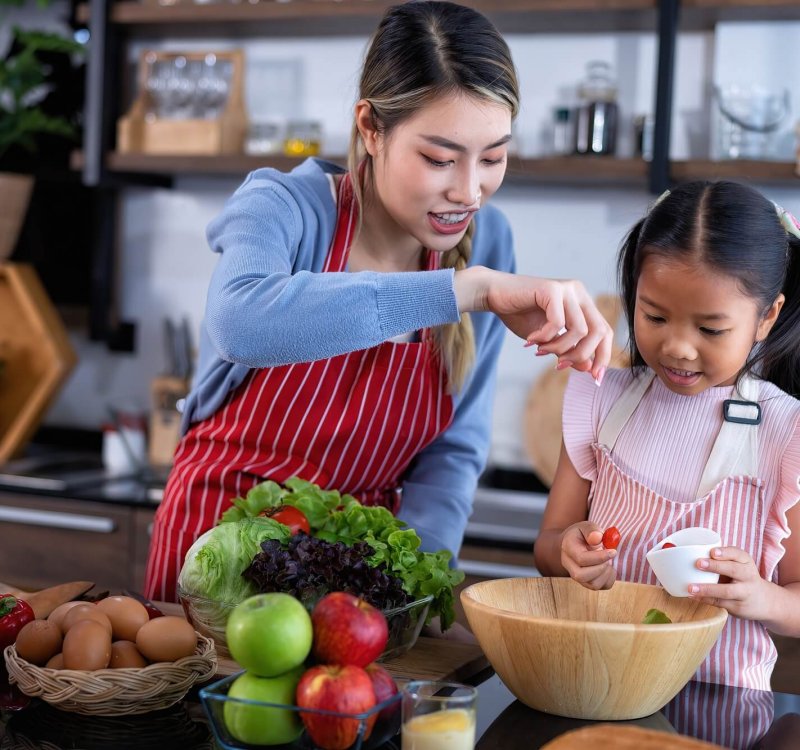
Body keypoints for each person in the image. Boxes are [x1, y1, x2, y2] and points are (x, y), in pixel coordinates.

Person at [144, 0, 612, 603]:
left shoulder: (490, 242)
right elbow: (242, 320)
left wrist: (410, 584)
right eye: (440, 159)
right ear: (371, 127)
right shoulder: (285, 207)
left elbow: (454, 451)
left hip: (358, 571)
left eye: (493, 158)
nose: (469, 191)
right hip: (216, 551)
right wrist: (463, 290)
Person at [534, 180, 800, 689]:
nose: (677, 346)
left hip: (719, 701)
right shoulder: (599, 399)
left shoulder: (785, 433)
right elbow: (548, 545)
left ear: (766, 317)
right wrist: (569, 551)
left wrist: (760, 596)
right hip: (597, 682)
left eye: (710, 329)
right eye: (654, 316)